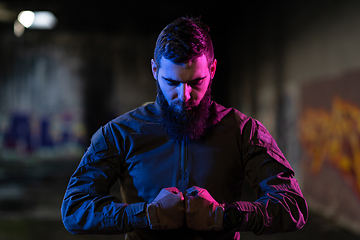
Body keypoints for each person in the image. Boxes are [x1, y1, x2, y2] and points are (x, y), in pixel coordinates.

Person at [61, 17, 308, 240]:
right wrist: (147, 215)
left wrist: (224, 216)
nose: (184, 95)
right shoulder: (119, 133)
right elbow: (74, 209)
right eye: (172, 82)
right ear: (155, 71)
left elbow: (292, 206)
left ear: (212, 70)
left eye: (195, 82)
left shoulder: (243, 131)